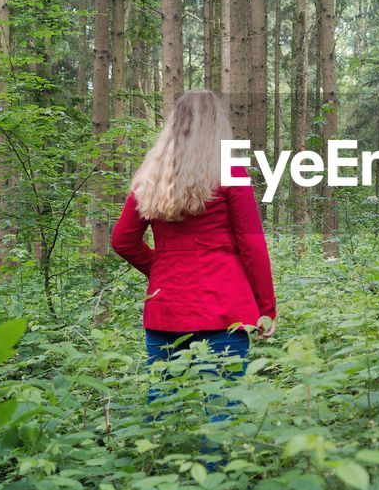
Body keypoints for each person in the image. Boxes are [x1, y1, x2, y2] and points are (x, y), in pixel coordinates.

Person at [110, 89, 276, 425]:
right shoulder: (229, 170)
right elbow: (252, 244)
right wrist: (266, 308)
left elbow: (122, 241)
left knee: (162, 406)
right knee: (222, 409)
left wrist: (159, 267)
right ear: (217, 127)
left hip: (166, 308)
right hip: (224, 311)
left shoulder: (151, 176)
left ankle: (154, 472)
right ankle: (214, 476)